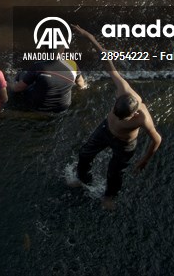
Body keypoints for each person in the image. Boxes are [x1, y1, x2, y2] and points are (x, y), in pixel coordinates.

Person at [69, 25, 163, 210]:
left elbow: (157, 139)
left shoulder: (143, 116)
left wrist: (144, 160)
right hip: (105, 130)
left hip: (124, 144)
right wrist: (86, 34)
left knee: (114, 173)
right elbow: (105, 57)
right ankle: (81, 179)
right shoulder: (122, 88)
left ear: (134, 115)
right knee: (85, 154)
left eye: (124, 119)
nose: (120, 119)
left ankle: (109, 197)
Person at [11, 56, 87, 113]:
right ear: (63, 49)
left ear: (45, 49)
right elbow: (81, 84)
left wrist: (7, 84)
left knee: (23, 73)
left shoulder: (38, 65)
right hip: (63, 107)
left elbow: (17, 89)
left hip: (38, 107)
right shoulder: (72, 64)